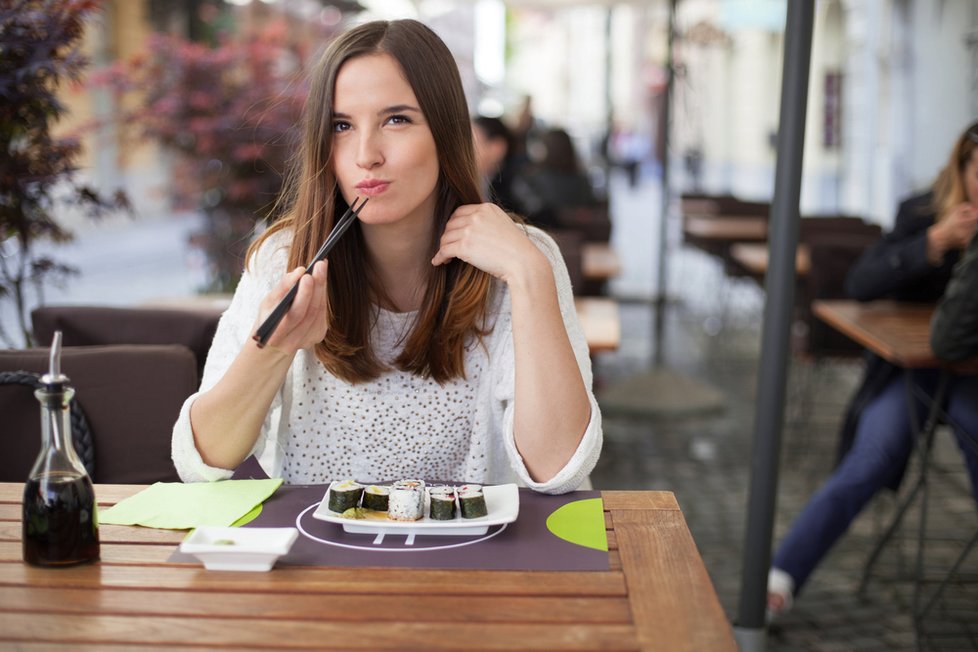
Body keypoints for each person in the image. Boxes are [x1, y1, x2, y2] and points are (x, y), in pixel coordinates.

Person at [170, 19, 602, 494]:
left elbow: (559, 470)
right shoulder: (283, 258)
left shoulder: (523, 259)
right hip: (320, 561)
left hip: (478, 563)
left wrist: (528, 274)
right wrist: (272, 350)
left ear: (445, 131)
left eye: (396, 119)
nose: (365, 154)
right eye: (341, 125)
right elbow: (203, 462)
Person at [767, 121, 978, 618]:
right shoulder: (922, 211)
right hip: (911, 373)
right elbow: (861, 282)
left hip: (971, 376)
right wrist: (933, 242)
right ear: (962, 167)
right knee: (871, 457)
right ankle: (781, 576)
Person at [471, 115, 524, 217]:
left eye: (471, 143)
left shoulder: (514, 188)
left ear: (497, 148)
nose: (461, 152)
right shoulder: (484, 181)